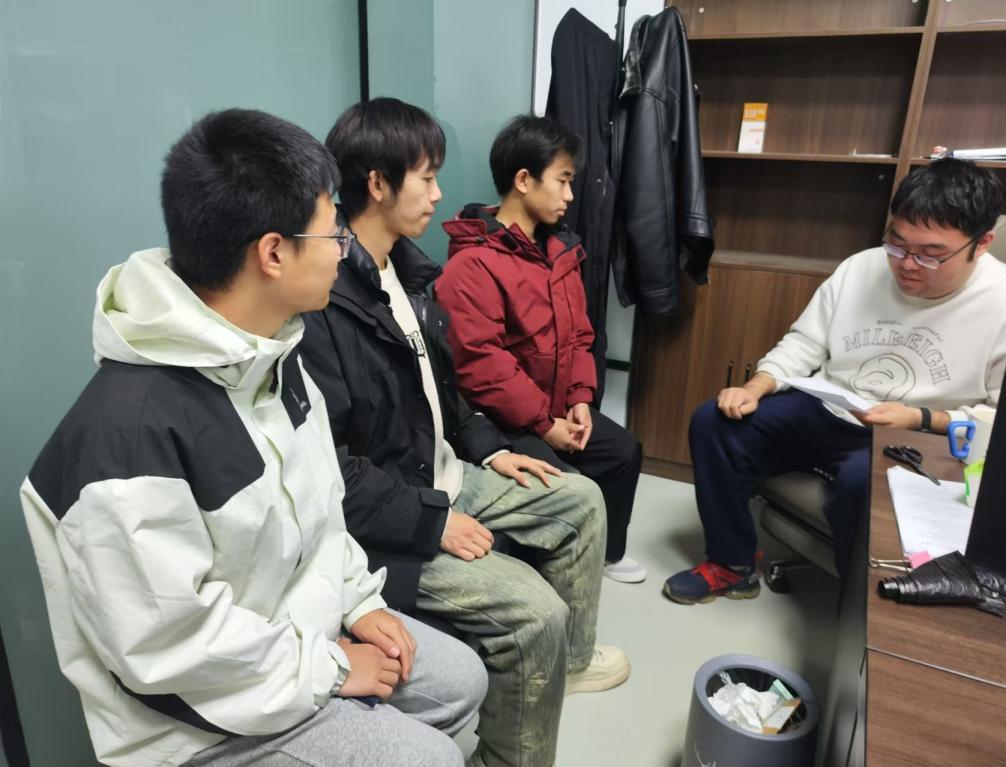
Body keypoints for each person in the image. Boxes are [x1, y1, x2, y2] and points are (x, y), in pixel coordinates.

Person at [20, 109, 488, 767]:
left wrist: (358, 601)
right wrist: (331, 667)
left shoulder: (273, 354)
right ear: (273, 253)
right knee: (428, 758)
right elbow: (171, 648)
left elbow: (321, 511)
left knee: (463, 678)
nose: (343, 249)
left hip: (296, 635)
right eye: (331, 233)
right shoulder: (128, 437)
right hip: (203, 716)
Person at [297, 98, 629, 767]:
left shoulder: (409, 274)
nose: (440, 193)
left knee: (580, 500)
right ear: (378, 184)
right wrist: (433, 521)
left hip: (441, 472)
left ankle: (564, 669)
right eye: (426, 177)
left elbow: (444, 393)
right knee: (535, 611)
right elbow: (333, 473)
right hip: (393, 514)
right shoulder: (324, 304)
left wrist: (491, 447)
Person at [663, 158, 1006, 604]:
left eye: (931, 254)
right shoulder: (861, 267)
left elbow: (1002, 419)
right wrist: (756, 386)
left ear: (982, 243)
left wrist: (919, 417)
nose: (907, 264)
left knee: (863, 482)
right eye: (897, 244)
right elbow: (805, 343)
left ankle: (858, 605)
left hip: (916, 435)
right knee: (714, 423)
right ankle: (731, 565)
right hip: (830, 406)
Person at [435, 115, 647, 585]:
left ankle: (605, 555)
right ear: (523, 180)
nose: (570, 196)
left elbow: (580, 335)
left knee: (623, 451)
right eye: (563, 181)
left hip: (553, 406)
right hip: (502, 421)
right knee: (566, 486)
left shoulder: (558, 251)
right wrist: (545, 425)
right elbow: (482, 365)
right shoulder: (473, 263)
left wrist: (579, 399)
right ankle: (553, 575)